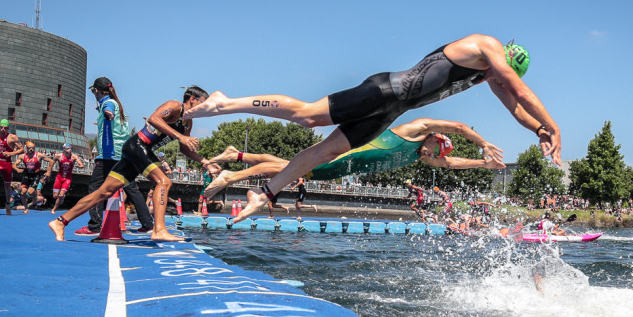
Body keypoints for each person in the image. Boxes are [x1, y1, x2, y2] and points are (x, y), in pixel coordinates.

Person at [185, 34, 560, 222]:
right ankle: (225, 102)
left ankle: (264, 193)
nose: (492, 79)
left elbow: (516, 105)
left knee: (328, 151)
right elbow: (520, 90)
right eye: (498, 72)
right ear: (505, 58)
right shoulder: (486, 46)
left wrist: (537, 130)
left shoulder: (486, 74)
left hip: (389, 112)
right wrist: (552, 124)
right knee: (308, 115)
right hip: (383, 91)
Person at [201, 118, 505, 207]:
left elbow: (451, 165)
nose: (436, 155)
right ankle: (229, 176)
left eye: (438, 153)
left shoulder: (422, 155)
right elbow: (461, 127)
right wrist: (484, 145)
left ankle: (235, 155)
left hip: (344, 168)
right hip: (345, 153)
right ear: (433, 138)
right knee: (290, 167)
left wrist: (483, 164)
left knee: (286, 162)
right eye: (436, 148)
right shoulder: (417, 130)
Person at [48, 85, 211, 242]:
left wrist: (205, 161)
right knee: (164, 181)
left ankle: (60, 221)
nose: (205, 108)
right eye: (203, 103)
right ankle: (159, 230)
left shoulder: (187, 123)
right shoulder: (175, 106)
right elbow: (154, 118)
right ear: (192, 99)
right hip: (137, 146)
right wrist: (181, 137)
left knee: (103, 192)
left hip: (140, 152)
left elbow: (184, 149)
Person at [75, 77, 153, 235]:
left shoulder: (109, 103)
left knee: (95, 187)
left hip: (109, 155)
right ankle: (147, 223)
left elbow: (108, 107)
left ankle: (94, 226)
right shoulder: (119, 105)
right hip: (122, 153)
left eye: (93, 91)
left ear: (97, 91)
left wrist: (107, 112)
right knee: (131, 188)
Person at [12, 141, 54, 213]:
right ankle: (26, 208)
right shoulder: (22, 156)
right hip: (27, 174)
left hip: (35, 175)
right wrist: (17, 169)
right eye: (29, 148)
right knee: (22, 193)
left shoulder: (39, 155)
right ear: (26, 148)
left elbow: (51, 161)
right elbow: (14, 164)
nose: (31, 149)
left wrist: (49, 171)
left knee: (30, 192)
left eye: (33, 148)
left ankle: (34, 193)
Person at [48, 144, 85, 214]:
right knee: (55, 196)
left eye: (71, 148)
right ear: (64, 150)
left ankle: (54, 209)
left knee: (61, 195)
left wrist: (80, 166)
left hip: (67, 179)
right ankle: (62, 197)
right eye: (68, 148)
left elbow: (82, 165)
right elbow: (51, 163)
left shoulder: (73, 156)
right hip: (59, 177)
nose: (70, 150)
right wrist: (48, 172)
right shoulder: (58, 156)